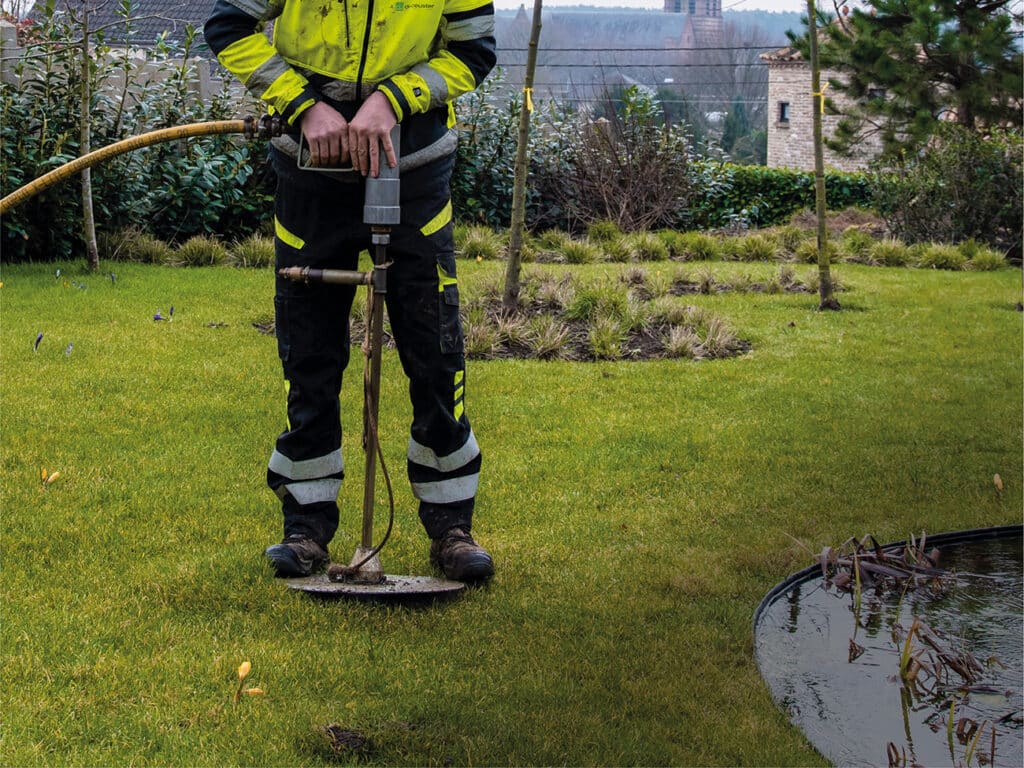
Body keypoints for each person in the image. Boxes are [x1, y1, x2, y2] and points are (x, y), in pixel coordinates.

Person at [204, 0, 496, 582]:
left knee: (435, 350)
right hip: (310, 167)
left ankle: (452, 528)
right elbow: (229, 26)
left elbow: (473, 50)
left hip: (413, 164)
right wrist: (303, 106)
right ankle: (306, 528)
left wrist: (392, 100)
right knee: (309, 351)